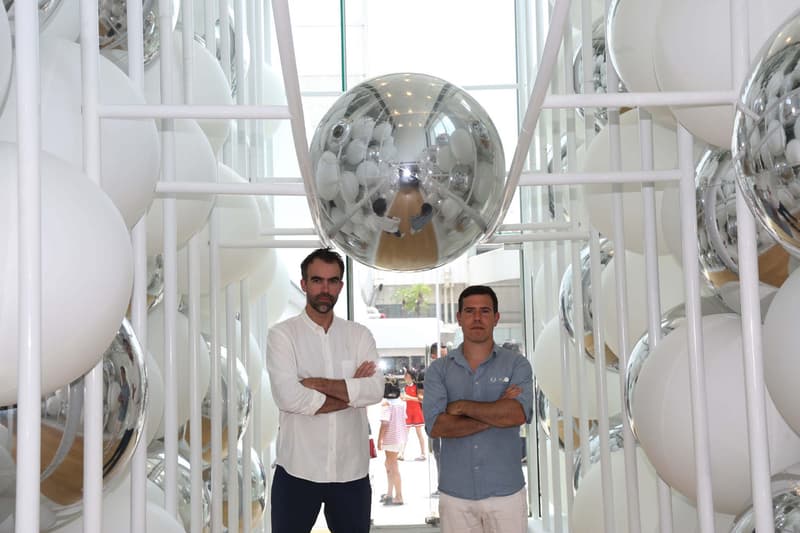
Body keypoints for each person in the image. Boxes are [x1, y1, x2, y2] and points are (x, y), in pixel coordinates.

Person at [266, 248, 385, 533]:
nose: (325, 289)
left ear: (341, 287)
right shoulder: (282, 335)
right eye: (317, 280)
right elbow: (288, 397)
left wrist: (316, 384)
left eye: (332, 281)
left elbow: (375, 390)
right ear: (304, 284)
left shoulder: (359, 335)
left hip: (351, 473)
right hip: (297, 471)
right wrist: (350, 394)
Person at [422, 285, 533, 533]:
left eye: (485, 311)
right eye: (470, 311)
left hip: (506, 493)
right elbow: (437, 426)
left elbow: (517, 414)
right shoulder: (439, 370)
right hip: (455, 496)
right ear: (459, 318)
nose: (477, 318)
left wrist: (461, 407)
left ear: (496, 318)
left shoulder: (517, 364)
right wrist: (497, 411)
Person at [377, 378, 406, 506]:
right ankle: (390, 493)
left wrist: (379, 440)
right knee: (389, 465)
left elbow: (384, 423)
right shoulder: (400, 403)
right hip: (399, 437)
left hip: (390, 438)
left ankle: (399, 495)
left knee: (392, 467)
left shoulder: (386, 404)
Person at [400, 368, 426, 461]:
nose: (405, 377)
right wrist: (404, 398)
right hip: (408, 412)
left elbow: (421, 400)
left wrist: (408, 397)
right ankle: (401, 453)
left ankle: (423, 454)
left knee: (419, 434)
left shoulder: (417, 387)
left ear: (411, 376)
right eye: (405, 375)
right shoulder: (405, 387)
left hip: (417, 412)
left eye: (407, 375)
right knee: (405, 434)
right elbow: (406, 398)